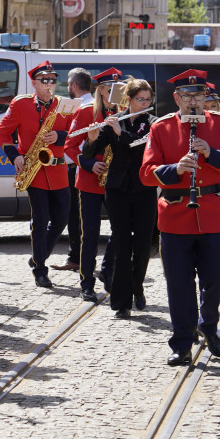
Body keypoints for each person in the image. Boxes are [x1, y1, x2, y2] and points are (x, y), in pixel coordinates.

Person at [140, 69, 220, 365]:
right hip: (174, 215)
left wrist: (211, 153)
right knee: (179, 283)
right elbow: (147, 174)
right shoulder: (161, 128)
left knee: (217, 275)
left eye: (198, 95)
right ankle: (182, 343)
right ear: (177, 98)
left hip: (211, 212)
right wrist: (177, 169)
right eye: (186, 96)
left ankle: (208, 323)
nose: (193, 101)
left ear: (205, 96)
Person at [0, 61, 75, 289]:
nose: (49, 84)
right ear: (34, 83)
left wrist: (59, 137)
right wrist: (15, 156)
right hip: (34, 171)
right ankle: (40, 269)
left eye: (53, 80)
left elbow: (74, 134)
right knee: (40, 221)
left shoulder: (64, 104)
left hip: (58, 170)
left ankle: (37, 256)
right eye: (44, 80)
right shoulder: (21, 104)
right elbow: (2, 133)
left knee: (61, 219)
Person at [86, 79, 158, 317]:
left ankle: (137, 286)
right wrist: (94, 137)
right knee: (121, 243)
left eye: (148, 99)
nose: (145, 103)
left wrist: (120, 132)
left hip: (144, 189)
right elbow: (90, 152)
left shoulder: (153, 124)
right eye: (141, 99)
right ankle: (121, 302)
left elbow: (140, 148)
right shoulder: (116, 120)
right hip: (117, 190)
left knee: (142, 244)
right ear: (129, 99)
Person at [63, 67, 120, 301]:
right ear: (101, 90)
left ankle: (108, 271)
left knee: (121, 230)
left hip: (115, 179)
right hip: (89, 179)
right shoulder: (86, 111)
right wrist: (88, 164)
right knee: (90, 234)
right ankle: (87, 281)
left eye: (120, 89)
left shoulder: (123, 112)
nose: (116, 94)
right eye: (111, 90)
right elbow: (69, 145)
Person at [56, 67, 95, 272]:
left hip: (78, 166)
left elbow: (73, 142)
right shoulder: (93, 105)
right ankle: (80, 257)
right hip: (85, 166)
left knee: (76, 216)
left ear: (73, 85)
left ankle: (77, 258)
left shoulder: (83, 108)